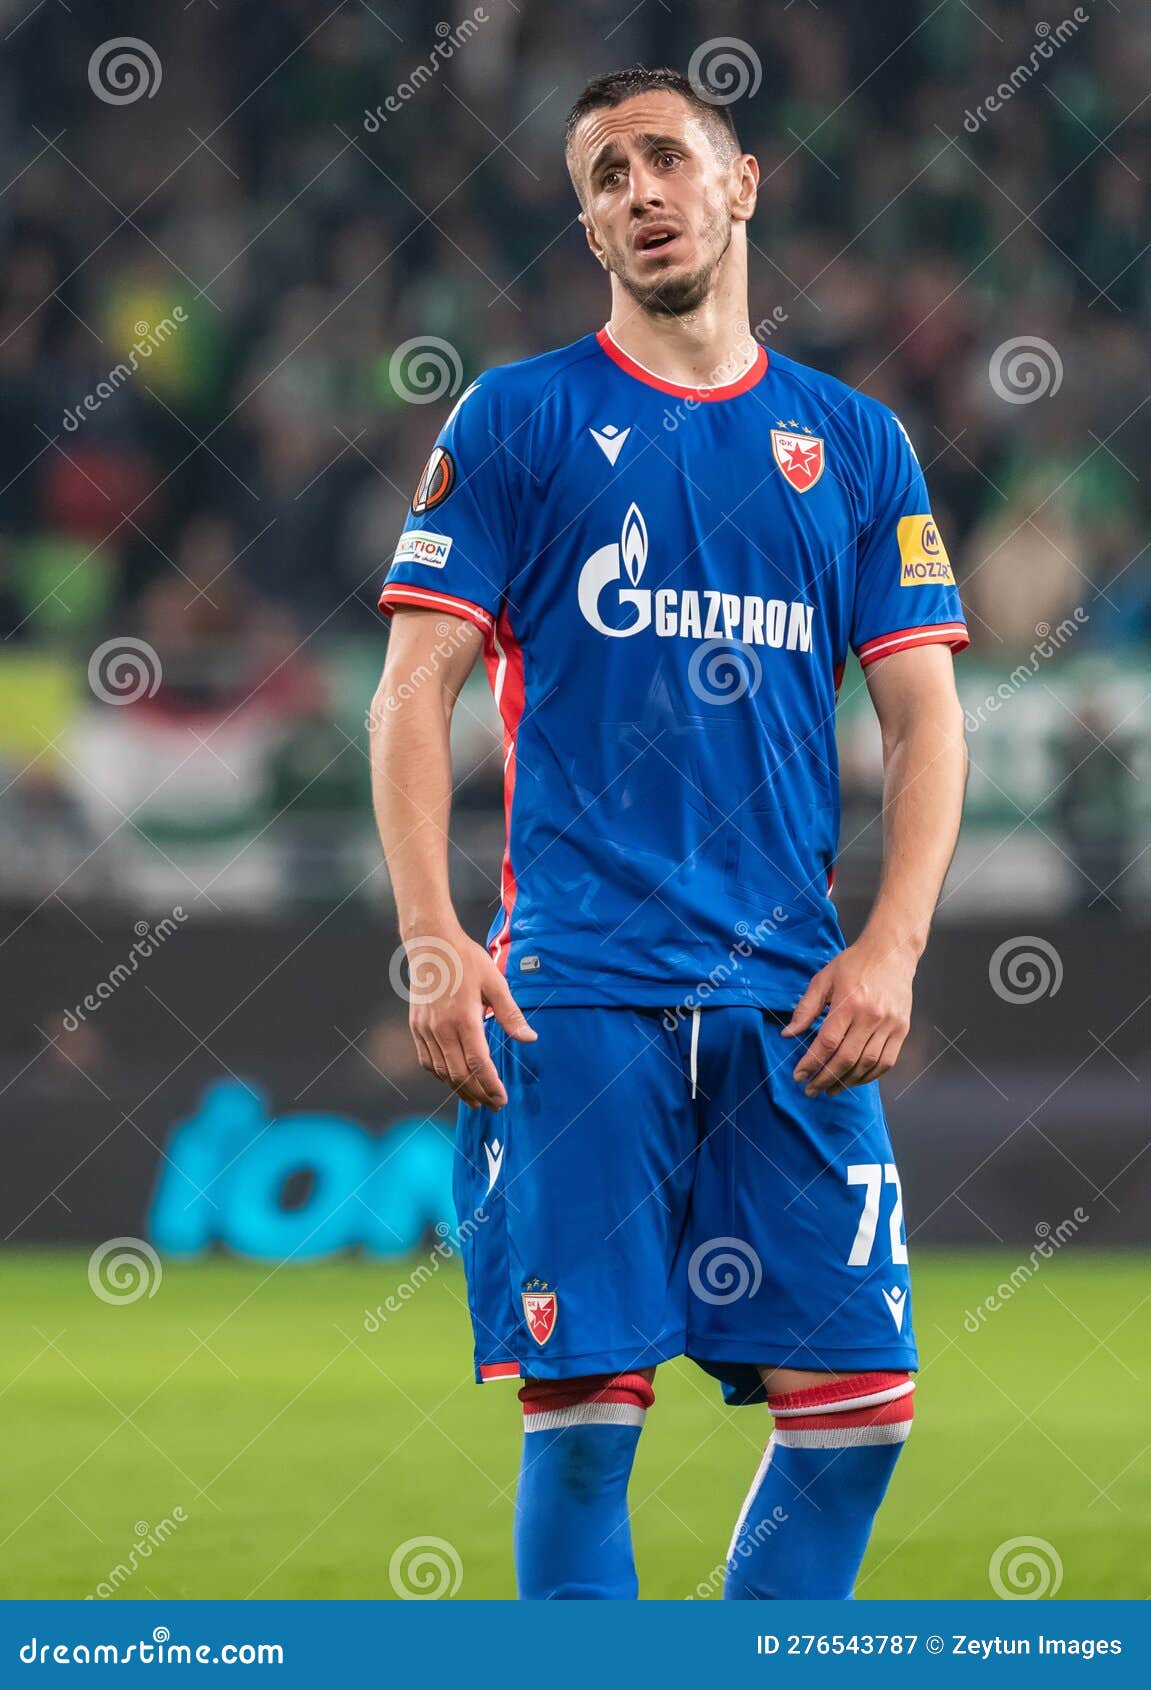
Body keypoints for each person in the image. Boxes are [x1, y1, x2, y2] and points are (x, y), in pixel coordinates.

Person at [370, 66, 968, 1601]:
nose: (638, 190)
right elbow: (411, 691)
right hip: (573, 996)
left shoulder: (856, 446)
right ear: (587, 226)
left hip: (792, 995)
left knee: (861, 1418)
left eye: (665, 159)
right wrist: (436, 937)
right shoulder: (518, 421)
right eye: (605, 175)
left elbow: (924, 720)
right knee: (583, 1426)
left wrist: (892, 945)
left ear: (741, 184)